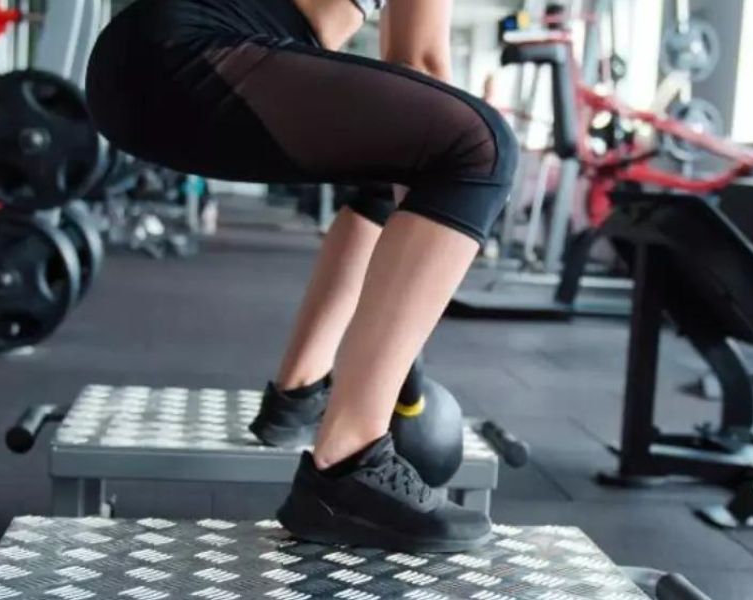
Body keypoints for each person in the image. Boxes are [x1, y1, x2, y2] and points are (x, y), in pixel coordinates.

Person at [85, 0, 518, 552]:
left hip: (150, 58)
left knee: (394, 171)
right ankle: (349, 463)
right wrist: (412, 324)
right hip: (194, 52)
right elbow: (421, 59)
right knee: (480, 146)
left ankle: (298, 392)